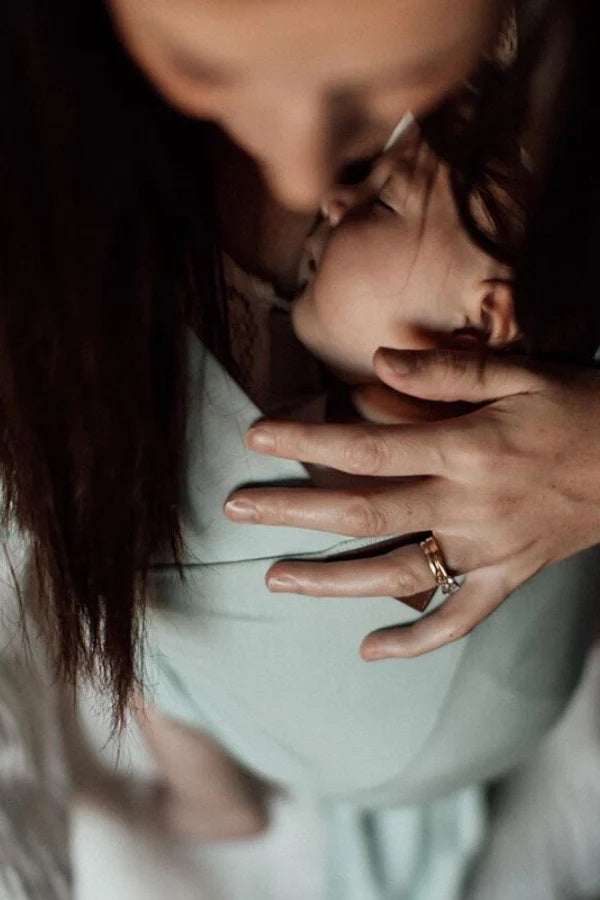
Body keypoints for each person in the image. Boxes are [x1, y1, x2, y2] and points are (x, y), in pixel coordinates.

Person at [2, 0, 600, 896]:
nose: (305, 175)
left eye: (388, 90)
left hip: (498, 689)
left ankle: (215, 805)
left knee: (155, 676)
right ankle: (216, 806)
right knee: (150, 672)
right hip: (402, 704)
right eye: (206, 69)